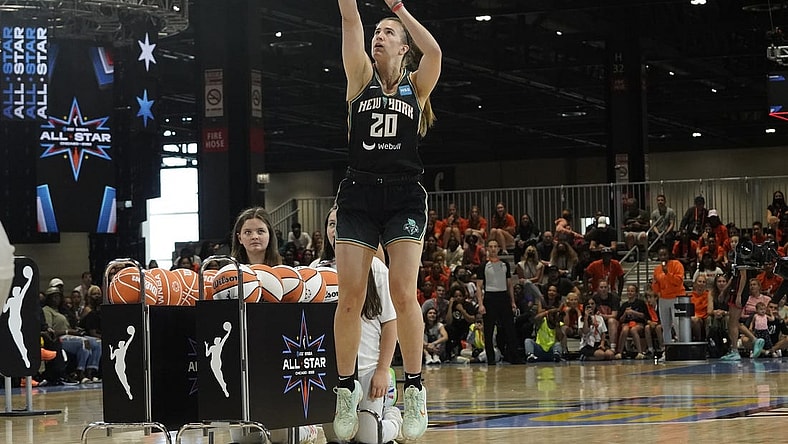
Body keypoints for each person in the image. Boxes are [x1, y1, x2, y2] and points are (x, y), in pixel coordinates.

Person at [333, 0, 441, 439]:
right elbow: (349, 18)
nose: (379, 36)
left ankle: (414, 389)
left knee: (401, 291)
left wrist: (400, 8)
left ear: (402, 49)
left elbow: (434, 53)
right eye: (377, 32)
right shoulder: (359, 79)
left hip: (403, 197)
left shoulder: (416, 88)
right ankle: (343, 391)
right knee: (351, 298)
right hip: (359, 194)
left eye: (388, 32)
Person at [475, 239, 522, 364]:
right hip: (490, 298)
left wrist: (512, 301)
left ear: (499, 249)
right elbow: (479, 286)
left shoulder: (505, 264)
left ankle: (514, 357)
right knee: (489, 330)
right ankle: (491, 359)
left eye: (495, 246)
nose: (493, 249)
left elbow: (509, 284)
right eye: (491, 246)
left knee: (510, 328)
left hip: (503, 297)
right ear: (487, 249)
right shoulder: (483, 266)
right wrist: (480, 304)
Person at [651, 246, 685, 347]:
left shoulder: (677, 265)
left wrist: (668, 273)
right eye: (661, 255)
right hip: (663, 299)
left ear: (669, 255)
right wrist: (655, 284)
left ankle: (681, 346)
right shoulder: (657, 269)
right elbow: (656, 287)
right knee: (665, 326)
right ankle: (668, 348)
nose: (663, 257)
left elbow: (678, 281)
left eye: (665, 254)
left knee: (677, 324)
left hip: (677, 297)